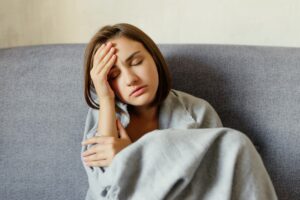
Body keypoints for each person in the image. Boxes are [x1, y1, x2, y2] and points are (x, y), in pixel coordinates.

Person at [80, 23, 277, 199]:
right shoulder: (103, 116)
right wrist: (105, 99)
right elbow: (104, 191)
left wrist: (129, 156)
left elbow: (212, 187)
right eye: (114, 75)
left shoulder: (197, 112)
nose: (130, 79)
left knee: (236, 144)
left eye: (136, 62)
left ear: (154, 58)